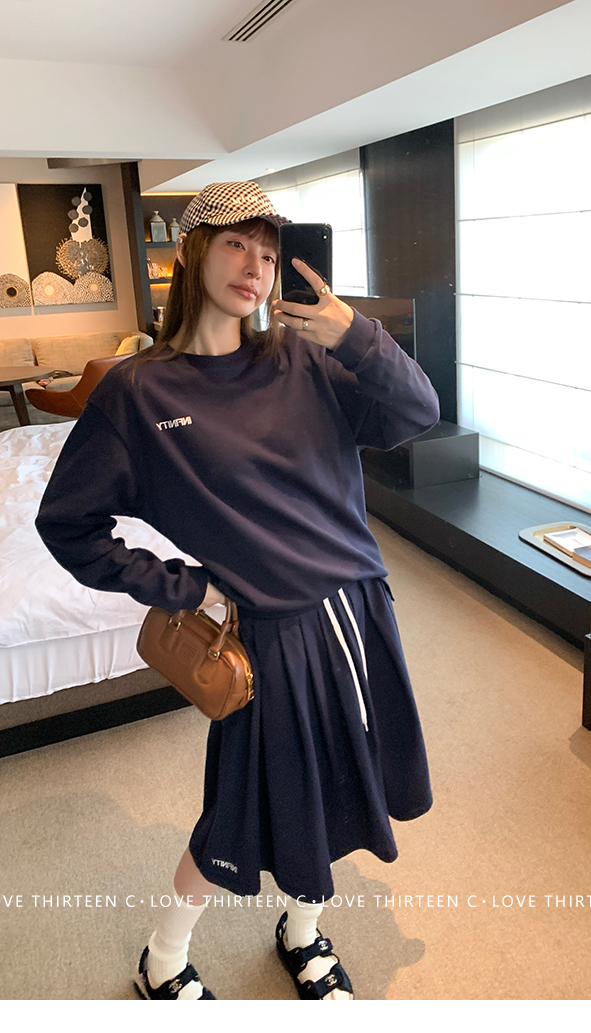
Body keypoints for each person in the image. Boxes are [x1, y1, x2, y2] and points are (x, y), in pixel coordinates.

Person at [35, 181, 439, 1001]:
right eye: (235, 244)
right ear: (191, 252)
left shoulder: (307, 358)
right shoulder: (139, 392)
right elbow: (67, 522)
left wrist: (357, 335)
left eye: (267, 251)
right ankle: (162, 958)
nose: (255, 266)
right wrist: (183, 585)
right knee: (240, 810)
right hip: (273, 637)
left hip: (361, 611)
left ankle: (302, 930)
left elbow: (417, 410)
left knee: (345, 785)